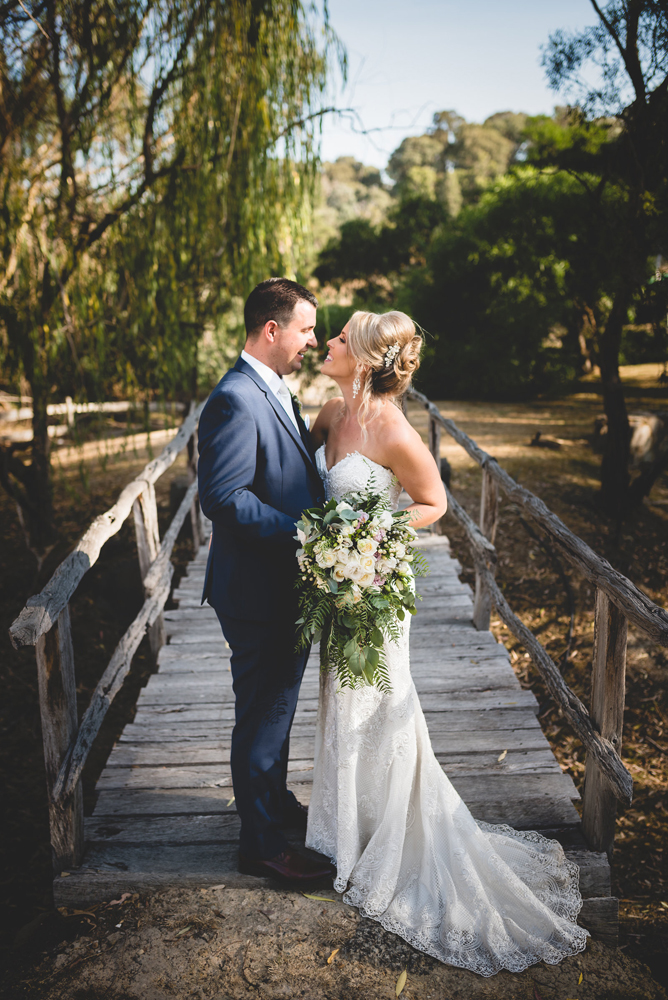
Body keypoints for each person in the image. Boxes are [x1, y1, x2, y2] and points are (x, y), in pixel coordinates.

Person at [306, 309, 588, 976]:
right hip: (335, 586)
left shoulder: (393, 430)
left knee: (378, 700)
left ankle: (392, 837)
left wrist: (372, 541)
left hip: (374, 584)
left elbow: (431, 502)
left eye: (341, 337)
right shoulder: (328, 413)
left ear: (365, 358)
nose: (329, 342)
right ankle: (348, 830)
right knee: (339, 700)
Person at [197, 277, 334, 887]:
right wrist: (308, 534)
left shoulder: (271, 388)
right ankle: (260, 845)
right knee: (262, 717)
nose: (314, 341)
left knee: (275, 710)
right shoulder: (234, 398)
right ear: (272, 329)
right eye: (306, 329)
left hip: (281, 585)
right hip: (258, 591)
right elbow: (224, 498)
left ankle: (273, 806)